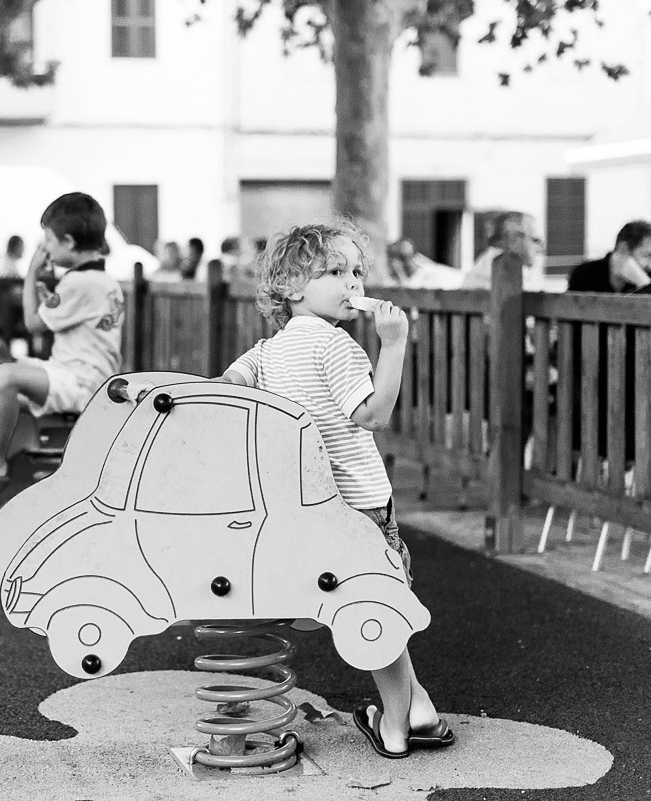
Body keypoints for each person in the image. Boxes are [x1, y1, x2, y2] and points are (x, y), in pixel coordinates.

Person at [219, 220, 452, 759]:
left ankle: (419, 708)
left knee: (365, 607)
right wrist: (393, 346)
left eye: (356, 271)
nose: (352, 282)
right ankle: (397, 728)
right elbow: (374, 415)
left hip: (307, 506)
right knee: (374, 609)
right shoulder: (337, 346)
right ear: (291, 287)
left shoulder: (266, 353)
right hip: (362, 504)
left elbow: (227, 391)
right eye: (334, 271)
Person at [0, 192, 125, 484]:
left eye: (49, 241)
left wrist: (30, 274)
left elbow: (32, 323)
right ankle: (17, 446)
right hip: (87, 376)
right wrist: (51, 300)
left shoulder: (79, 282)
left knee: (5, 376)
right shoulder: (104, 281)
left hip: (79, 382)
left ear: (68, 242)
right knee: (2, 366)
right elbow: (74, 319)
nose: (46, 250)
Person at [568, 220, 651, 293]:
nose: (650, 265)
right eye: (646, 255)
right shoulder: (584, 274)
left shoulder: (650, 278)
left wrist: (643, 284)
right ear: (623, 249)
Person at [462, 212, 545, 290]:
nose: (541, 248)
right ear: (513, 239)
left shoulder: (485, 265)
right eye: (536, 240)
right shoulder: (503, 269)